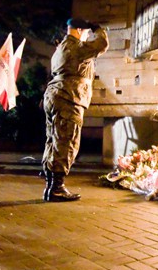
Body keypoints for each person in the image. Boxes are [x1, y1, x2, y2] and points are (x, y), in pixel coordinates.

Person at [42, 17, 109, 201]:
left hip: (56, 96)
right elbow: (102, 44)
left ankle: (51, 186)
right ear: (79, 30)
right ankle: (57, 188)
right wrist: (98, 28)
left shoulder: (61, 48)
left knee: (54, 141)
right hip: (69, 99)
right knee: (67, 142)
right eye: (86, 32)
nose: (87, 36)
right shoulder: (76, 48)